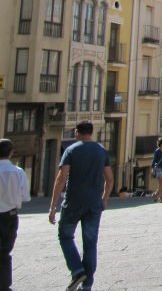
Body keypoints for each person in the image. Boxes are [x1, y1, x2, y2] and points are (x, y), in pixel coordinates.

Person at [49, 121, 114, 291]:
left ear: (77, 132)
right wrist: (105, 198)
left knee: (65, 236)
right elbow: (110, 178)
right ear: (91, 132)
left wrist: (53, 207)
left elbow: (61, 178)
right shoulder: (101, 151)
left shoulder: (71, 150)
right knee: (90, 244)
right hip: (94, 204)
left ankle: (77, 270)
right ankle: (87, 285)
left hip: (73, 203)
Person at [0, 139, 30, 291]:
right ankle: (4, 285)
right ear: (11, 153)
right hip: (9, 216)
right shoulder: (18, 172)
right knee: (5, 251)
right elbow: (25, 196)